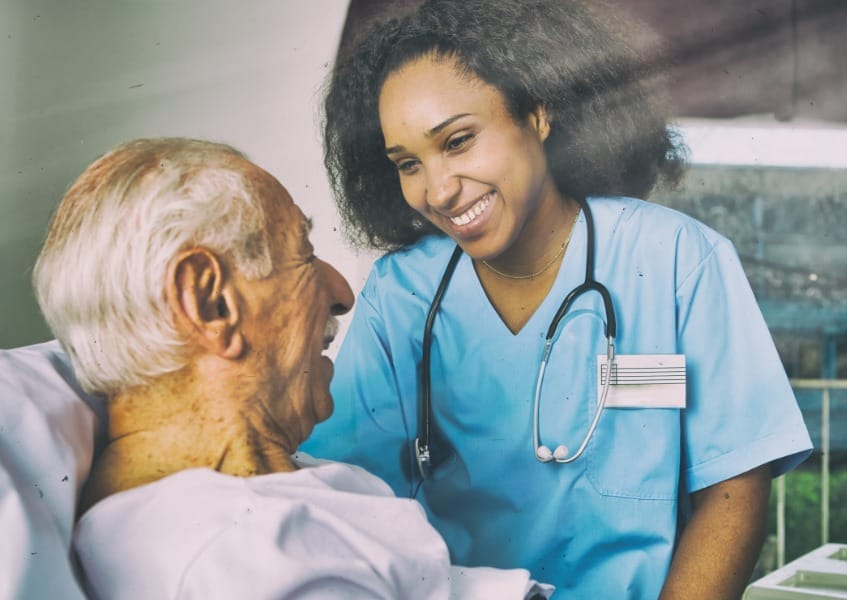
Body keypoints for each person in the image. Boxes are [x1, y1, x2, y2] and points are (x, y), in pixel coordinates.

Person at [301, 0, 813, 598]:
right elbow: (342, 489)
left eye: (460, 140)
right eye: (408, 163)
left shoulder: (675, 259)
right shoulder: (403, 294)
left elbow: (734, 488)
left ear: (538, 113)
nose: (437, 190)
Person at [32, 137, 552, 599]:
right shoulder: (239, 560)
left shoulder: (251, 495)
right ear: (211, 304)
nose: (343, 294)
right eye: (303, 254)